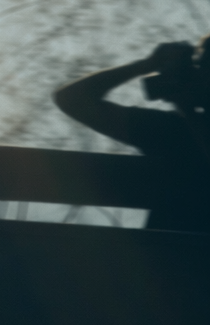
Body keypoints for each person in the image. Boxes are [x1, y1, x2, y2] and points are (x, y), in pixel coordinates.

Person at [53, 41, 210, 232]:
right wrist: (148, 64)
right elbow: (72, 100)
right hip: (170, 256)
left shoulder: (176, 130)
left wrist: (189, 111)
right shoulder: (172, 130)